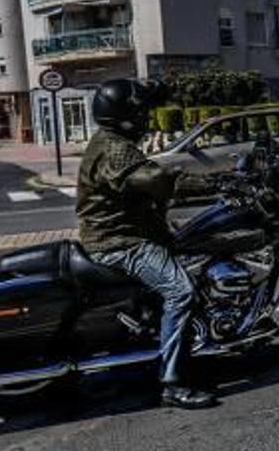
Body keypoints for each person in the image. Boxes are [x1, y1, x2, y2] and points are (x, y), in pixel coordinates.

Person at [77, 78, 219, 409]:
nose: (147, 118)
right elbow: (152, 180)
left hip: (128, 233)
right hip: (119, 241)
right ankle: (172, 383)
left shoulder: (114, 140)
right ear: (126, 115)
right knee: (180, 292)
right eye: (142, 112)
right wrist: (211, 181)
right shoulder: (115, 148)